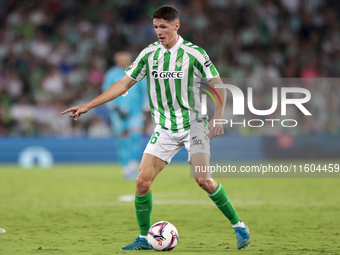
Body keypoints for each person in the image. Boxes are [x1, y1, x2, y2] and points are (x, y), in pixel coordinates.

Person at [61, 5, 251, 251]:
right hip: (164, 128)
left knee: (203, 179)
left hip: (194, 124)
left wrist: (219, 116)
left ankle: (239, 226)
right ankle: (143, 239)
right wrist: (89, 105)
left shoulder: (194, 53)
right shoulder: (149, 54)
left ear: (176, 26)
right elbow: (122, 83)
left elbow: (218, 84)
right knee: (142, 182)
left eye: (163, 26)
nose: (159, 31)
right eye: (155, 27)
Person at [102, 51, 148, 180]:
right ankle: (124, 167)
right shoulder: (111, 74)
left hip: (135, 112)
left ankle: (133, 166)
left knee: (135, 137)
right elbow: (106, 91)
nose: (123, 61)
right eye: (120, 59)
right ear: (116, 60)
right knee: (122, 140)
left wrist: (145, 107)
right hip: (118, 112)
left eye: (125, 59)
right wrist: (114, 107)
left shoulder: (137, 71)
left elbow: (145, 91)